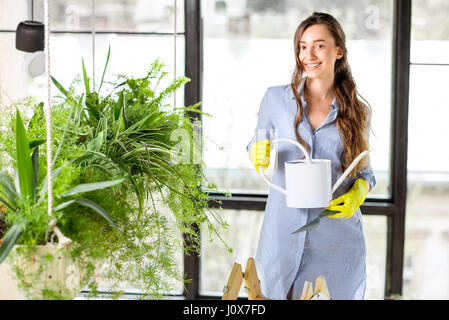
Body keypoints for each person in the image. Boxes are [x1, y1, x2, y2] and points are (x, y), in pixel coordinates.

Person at [247, 12, 376, 300]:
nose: (309, 54)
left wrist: (358, 192)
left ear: (338, 50)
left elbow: (365, 171)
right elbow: (257, 143)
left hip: (336, 239)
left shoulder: (358, 111)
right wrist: (257, 151)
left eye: (319, 45)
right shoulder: (275, 100)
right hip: (284, 235)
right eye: (303, 46)